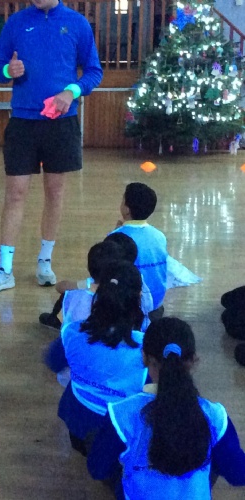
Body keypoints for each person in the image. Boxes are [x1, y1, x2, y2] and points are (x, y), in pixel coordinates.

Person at [0, 0, 103, 295]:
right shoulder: (16, 22)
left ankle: (45, 262)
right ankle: (4, 269)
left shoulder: (77, 23)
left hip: (61, 123)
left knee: (55, 192)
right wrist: (8, 70)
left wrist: (71, 91)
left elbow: (93, 72)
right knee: (15, 193)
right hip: (22, 121)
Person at [87, 317, 245, 499]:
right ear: (193, 360)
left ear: (144, 357)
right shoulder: (215, 416)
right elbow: (238, 475)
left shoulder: (121, 414)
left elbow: (97, 469)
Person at [45, 260, 147, 456]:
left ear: (98, 291)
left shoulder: (72, 332)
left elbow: (53, 361)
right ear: (138, 298)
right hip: (119, 432)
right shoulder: (145, 347)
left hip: (77, 424)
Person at [110, 182, 167, 320]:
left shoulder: (117, 236)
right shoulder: (159, 235)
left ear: (127, 209)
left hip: (132, 307)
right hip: (157, 303)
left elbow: (108, 269)